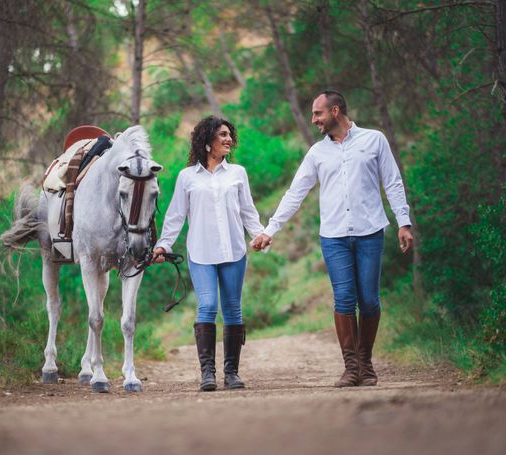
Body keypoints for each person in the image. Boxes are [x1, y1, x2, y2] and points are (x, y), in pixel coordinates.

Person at [251, 90, 414, 388]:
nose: (314, 120)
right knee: (344, 298)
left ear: (335, 111)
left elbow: (392, 180)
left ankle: (366, 362)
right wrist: (269, 230)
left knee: (369, 301)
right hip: (334, 237)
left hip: (369, 233)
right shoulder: (317, 153)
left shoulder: (374, 140)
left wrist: (403, 222)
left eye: (318, 113)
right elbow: (295, 193)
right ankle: (351, 367)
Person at [153, 116, 264, 391]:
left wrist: (260, 234)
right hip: (201, 252)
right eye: (222, 135)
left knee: (233, 309)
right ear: (207, 141)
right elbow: (176, 215)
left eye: (229, 135)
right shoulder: (187, 177)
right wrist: (164, 245)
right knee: (207, 305)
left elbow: (248, 211)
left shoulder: (237, 173)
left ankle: (231, 374)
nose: (228, 139)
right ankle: (207, 374)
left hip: (234, 250)